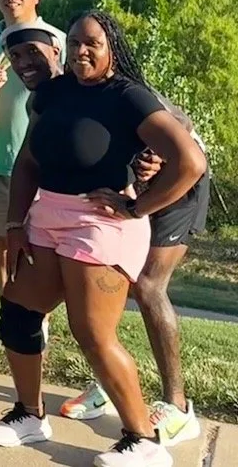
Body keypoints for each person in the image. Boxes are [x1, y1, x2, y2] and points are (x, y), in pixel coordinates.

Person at [0, 15, 205, 467]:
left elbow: (190, 161)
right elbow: (28, 162)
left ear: (111, 48)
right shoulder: (51, 94)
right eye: (77, 42)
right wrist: (15, 224)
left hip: (102, 222)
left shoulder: (127, 96)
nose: (83, 51)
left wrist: (137, 207)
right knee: (19, 312)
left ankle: (143, 440)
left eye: (94, 43)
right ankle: (30, 416)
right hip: (48, 216)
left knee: (92, 333)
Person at [60, 100, 212, 447]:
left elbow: (181, 120)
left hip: (181, 180)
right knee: (111, 278)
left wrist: (158, 156)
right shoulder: (65, 90)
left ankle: (179, 408)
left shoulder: (121, 83)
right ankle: (110, 381)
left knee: (148, 286)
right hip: (133, 185)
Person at [0, 0, 64, 293]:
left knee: (41, 248)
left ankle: (38, 321)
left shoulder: (56, 40)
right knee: (4, 245)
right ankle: (9, 311)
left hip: (42, 165)